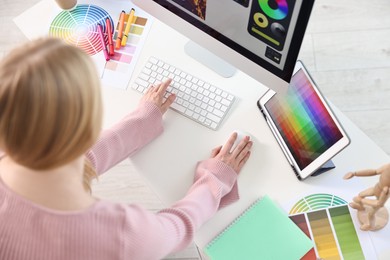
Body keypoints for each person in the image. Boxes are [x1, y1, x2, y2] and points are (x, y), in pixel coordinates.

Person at [0, 37, 252, 259]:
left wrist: (144, 119)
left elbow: (73, 159)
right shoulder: (118, 236)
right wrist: (215, 180)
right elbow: (177, 227)